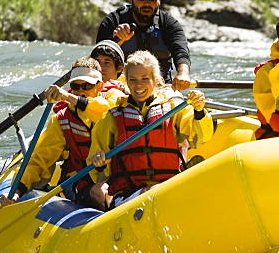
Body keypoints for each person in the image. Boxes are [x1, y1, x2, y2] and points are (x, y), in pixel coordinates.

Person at [87, 51, 211, 210]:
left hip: (169, 189)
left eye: (145, 79)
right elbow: (97, 173)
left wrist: (199, 111)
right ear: (126, 82)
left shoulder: (173, 110)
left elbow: (201, 137)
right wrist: (99, 163)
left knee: (161, 193)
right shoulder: (110, 118)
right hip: (127, 196)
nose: (138, 85)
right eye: (133, 80)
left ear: (156, 80)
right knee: (153, 192)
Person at [0, 58, 108, 207]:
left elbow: (102, 111)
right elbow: (40, 161)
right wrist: (17, 191)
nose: (80, 91)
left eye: (86, 86)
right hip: (81, 183)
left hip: (114, 177)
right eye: (75, 86)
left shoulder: (114, 101)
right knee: (100, 191)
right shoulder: (62, 120)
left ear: (99, 86)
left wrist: (67, 96)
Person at [96, 0, 192, 91]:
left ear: (159, 0)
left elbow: (181, 52)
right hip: (119, 88)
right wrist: (116, 43)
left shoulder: (169, 24)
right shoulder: (112, 21)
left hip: (161, 88)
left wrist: (183, 73)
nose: (147, 3)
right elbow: (97, 60)